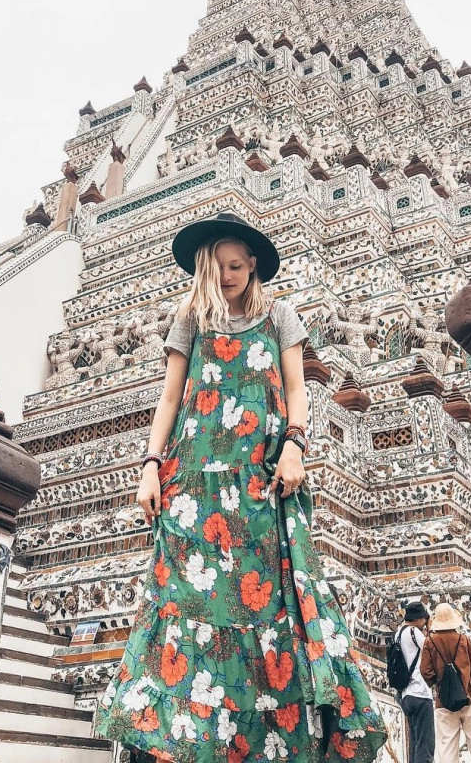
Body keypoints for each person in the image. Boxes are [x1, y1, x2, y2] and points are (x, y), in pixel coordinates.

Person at [98, 212, 386, 763]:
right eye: (219, 266)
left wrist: (297, 444)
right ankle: (186, 741)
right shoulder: (190, 319)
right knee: (186, 604)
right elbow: (169, 398)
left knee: (271, 610)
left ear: (252, 265)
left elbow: (298, 390)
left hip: (260, 485)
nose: (227, 275)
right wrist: (150, 465)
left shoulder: (280, 316)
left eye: (236, 265)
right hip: (194, 487)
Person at [420, 603, 471, 763]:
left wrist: (440, 680)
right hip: (469, 697)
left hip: (444, 702)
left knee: (447, 750)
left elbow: (425, 672)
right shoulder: (464, 639)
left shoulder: (430, 642)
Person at [397, 602, 434, 763]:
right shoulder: (414, 632)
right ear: (418, 619)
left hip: (406, 694)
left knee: (414, 741)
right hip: (420, 692)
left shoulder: (398, 633)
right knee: (425, 743)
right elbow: (432, 649)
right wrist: (430, 629)